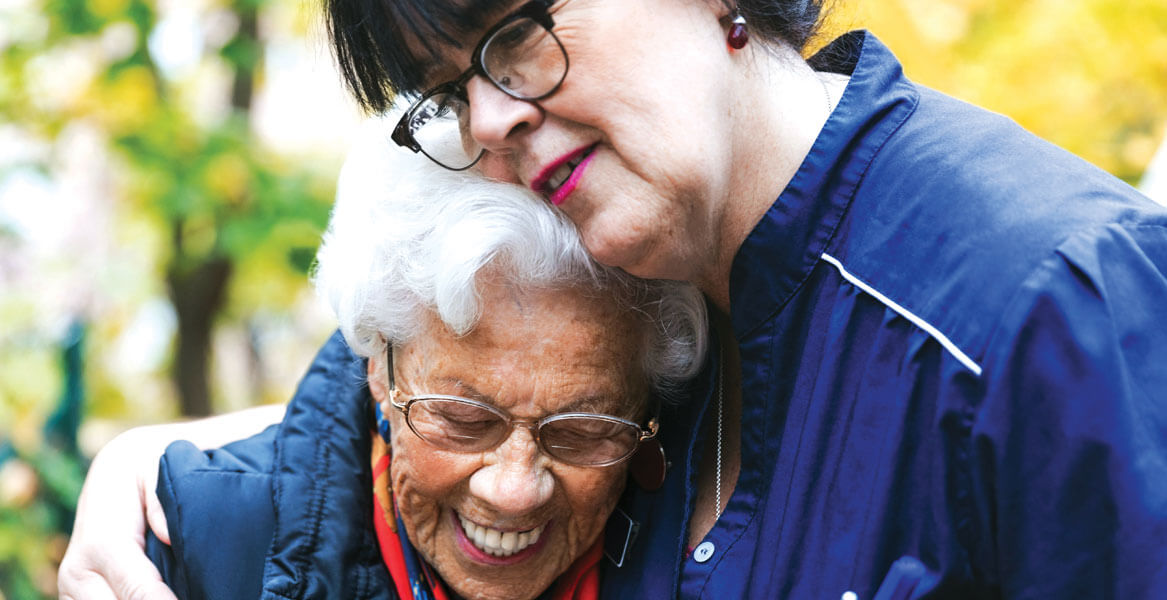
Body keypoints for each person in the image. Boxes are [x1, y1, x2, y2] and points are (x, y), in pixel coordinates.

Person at [62, 0, 1167, 597]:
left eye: (516, 37)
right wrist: (155, 470)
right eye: (448, 92)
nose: (489, 120)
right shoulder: (658, 293)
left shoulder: (1048, 298)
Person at [129, 131, 708, 598]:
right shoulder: (201, 544)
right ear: (380, 368)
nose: (513, 491)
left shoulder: (713, 546)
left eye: (584, 432)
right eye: (463, 418)